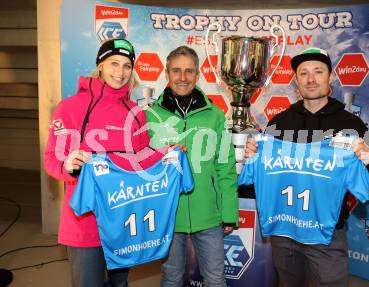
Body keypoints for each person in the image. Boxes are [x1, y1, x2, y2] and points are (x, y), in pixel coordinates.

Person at [244, 47, 369, 287]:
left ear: (330, 77)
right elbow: (261, 175)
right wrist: (252, 156)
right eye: (303, 73)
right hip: (284, 231)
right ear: (296, 81)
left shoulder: (352, 123)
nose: (311, 79)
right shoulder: (279, 123)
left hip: (327, 232)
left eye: (318, 71)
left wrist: (365, 159)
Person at [44, 38, 163, 287]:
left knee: (119, 284)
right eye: (113, 63)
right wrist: (68, 165)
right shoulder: (70, 108)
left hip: (122, 221)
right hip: (85, 222)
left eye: (127, 66)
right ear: (100, 65)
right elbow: (52, 159)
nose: (120, 73)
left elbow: (140, 161)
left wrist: (167, 154)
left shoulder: (136, 112)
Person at [146, 45, 238, 287]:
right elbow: (142, 165)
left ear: (197, 75)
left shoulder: (215, 116)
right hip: (168, 214)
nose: (183, 77)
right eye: (176, 70)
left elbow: (225, 166)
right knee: (172, 276)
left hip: (209, 214)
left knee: (215, 279)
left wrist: (229, 212)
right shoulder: (150, 116)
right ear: (167, 73)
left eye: (189, 71)